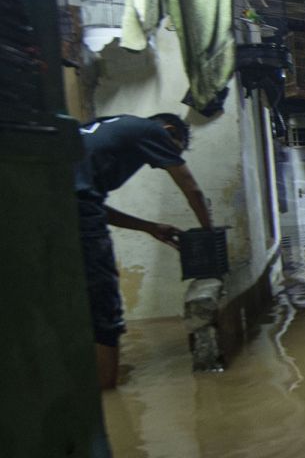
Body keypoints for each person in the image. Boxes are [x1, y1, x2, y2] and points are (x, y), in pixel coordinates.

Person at [74, 113, 213, 389]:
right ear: (169, 129)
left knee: (75, 300)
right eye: (175, 149)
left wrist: (148, 227)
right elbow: (192, 189)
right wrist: (209, 235)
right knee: (104, 301)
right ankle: (107, 393)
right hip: (76, 210)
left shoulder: (105, 125)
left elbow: (90, 203)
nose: (158, 162)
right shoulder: (153, 131)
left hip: (47, 204)